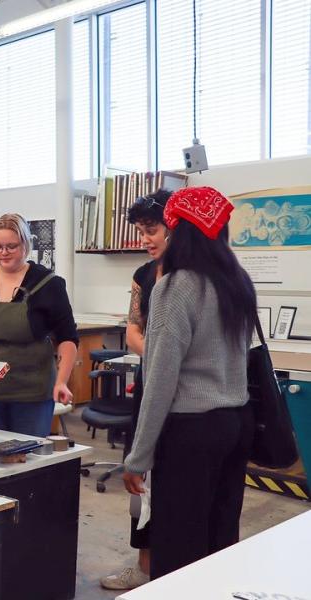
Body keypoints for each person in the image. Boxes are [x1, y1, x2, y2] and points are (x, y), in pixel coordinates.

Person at [123, 186, 256, 580]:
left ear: (179, 230)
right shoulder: (236, 280)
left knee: (179, 547)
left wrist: (138, 456)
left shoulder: (175, 286)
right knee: (220, 537)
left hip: (190, 431)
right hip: (235, 423)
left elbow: (160, 377)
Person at [101, 188, 171, 591]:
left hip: (181, 393)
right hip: (150, 381)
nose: (145, 239)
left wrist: (164, 355)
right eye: (141, 231)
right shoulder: (143, 275)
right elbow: (132, 332)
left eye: (152, 229)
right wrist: (159, 354)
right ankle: (143, 568)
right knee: (140, 481)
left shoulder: (188, 275)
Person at [0, 213, 78, 436]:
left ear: (26, 245)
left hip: (33, 392)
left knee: (28, 458)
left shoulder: (49, 284)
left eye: (11, 246)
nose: (3, 252)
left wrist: (62, 382)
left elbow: (67, 338)